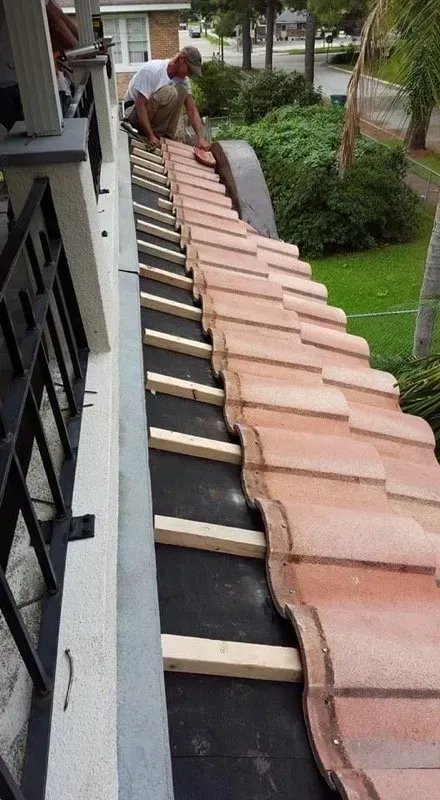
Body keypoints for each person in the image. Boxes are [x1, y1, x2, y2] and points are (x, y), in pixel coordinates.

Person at [0, 0, 78, 138]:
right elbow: (66, 37)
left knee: (20, 141)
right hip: (28, 85)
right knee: (46, 137)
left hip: (9, 82)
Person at [122, 47, 209, 150]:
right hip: (133, 112)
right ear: (181, 59)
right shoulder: (152, 71)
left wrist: (201, 138)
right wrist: (150, 136)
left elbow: (191, 110)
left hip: (150, 115)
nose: (189, 74)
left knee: (182, 90)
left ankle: (167, 138)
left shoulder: (183, 80)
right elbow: (140, 105)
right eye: (189, 70)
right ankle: (155, 136)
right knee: (170, 92)